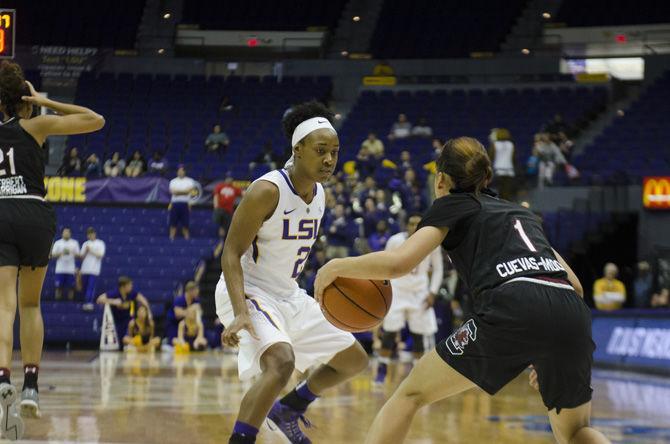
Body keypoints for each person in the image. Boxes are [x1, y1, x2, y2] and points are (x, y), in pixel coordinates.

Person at [315, 137, 609, 444]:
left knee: (410, 393)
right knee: (576, 432)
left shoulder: (450, 205)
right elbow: (574, 284)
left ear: (440, 179)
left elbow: (399, 263)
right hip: (570, 312)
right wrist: (545, 350)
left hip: (513, 304)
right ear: (487, 178)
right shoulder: (520, 214)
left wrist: (335, 266)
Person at [215, 101, 367, 444]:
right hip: (248, 290)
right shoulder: (267, 190)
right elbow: (230, 253)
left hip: (288, 293)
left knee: (354, 360)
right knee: (281, 363)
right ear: (297, 150)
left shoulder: (321, 194)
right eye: (321, 151)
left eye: (335, 152)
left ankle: (289, 408)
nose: (329, 159)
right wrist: (240, 313)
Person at [0, 60, 104, 437]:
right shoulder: (36, 124)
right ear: (25, 99)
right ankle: (30, 383)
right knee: (30, 304)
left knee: (3, 305)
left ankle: (0, 378)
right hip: (34, 212)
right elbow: (95, 120)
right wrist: (47, 101)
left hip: (1, 212)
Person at [375, 214, 443, 385]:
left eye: (418, 224)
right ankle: (382, 369)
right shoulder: (395, 241)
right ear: (406, 225)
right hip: (397, 290)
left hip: (419, 291)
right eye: (411, 223)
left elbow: (438, 269)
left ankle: (418, 375)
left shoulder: (431, 242)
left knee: (419, 335)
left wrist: (433, 292)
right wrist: (385, 289)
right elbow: (384, 264)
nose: (414, 226)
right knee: (389, 334)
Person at [96, 276, 151, 347]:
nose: (131, 286)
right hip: (117, 322)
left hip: (129, 320)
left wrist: (149, 312)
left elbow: (143, 299)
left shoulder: (132, 293)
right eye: (130, 285)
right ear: (123, 287)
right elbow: (99, 299)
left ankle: (138, 344)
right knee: (121, 340)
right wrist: (113, 301)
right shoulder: (114, 293)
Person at [165, 281, 202, 347]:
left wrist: (185, 312)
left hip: (187, 322)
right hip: (174, 323)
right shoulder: (179, 299)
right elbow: (178, 314)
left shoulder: (196, 300)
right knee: (173, 341)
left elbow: (199, 312)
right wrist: (191, 309)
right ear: (190, 291)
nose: (198, 292)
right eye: (196, 290)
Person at [80, 227, 106, 312]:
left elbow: (100, 255)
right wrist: (86, 251)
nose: (90, 235)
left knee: (91, 287)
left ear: (95, 234)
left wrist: (90, 250)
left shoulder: (100, 243)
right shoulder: (85, 244)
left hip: (94, 270)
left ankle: (89, 303)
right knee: (84, 286)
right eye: (89, 234)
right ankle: (85, 302)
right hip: (84, 269)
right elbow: (81, 257)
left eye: (92, 233)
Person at [51, 227, 80, 301]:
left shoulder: (74, 243)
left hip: (70, 269)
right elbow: (52, 255)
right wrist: (61, 253)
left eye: (68, 232)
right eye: (65, 232)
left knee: (71, 288)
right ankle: (56, 304)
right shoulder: (58, 243)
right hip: (60, 269)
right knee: (58, 287)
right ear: (62, 233)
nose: (66, 233)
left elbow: (79, 255)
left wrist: (72, 252)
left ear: (70, 234)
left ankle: (70, 304)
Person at [488, 128, 516, 201]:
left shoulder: (495, 144)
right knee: (506, 191)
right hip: (509, 170)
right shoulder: (511, 144)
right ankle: (506, 203)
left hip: (498, 170)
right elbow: (513, 158)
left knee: (499, 189)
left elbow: (491, 157)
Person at [168, 165, 196, 240]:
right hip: (175, 204)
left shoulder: (190, 181)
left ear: (184, 171)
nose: (180, 172)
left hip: (185, 204)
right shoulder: (173, 181)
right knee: (173, 222)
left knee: (185, 223)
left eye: (182, 170)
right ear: (177, 172)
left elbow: (189, 191)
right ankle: (171, 238)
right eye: (179, 170)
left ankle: (187, 238)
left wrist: (178, 192)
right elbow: (173, 192)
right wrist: (184, 192)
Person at [213, 173, 242, 237]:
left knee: (227, 226)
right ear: (225, 179)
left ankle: (224, 239)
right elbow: (216, 196)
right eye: (228, 178)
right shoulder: (220, 186)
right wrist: (216, 207)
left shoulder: (234, 188)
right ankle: (220, 239)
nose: (229, 180)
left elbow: (243, 194)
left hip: (229, 210)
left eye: (230, 178)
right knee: (221, 225)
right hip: (220, 209)